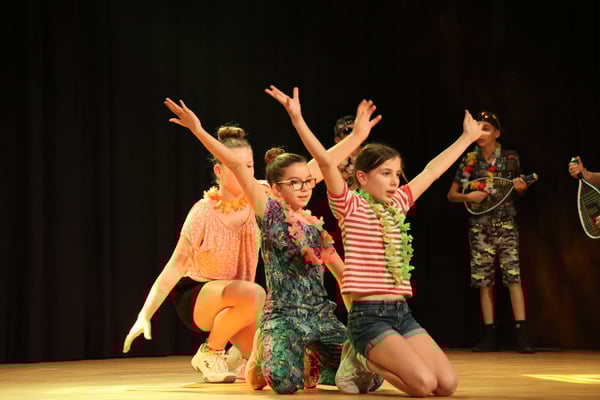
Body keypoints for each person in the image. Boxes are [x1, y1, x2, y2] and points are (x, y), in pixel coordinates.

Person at [272, 85, 483, 397]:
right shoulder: (349, 205)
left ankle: (369, 358)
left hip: (401, 312)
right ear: (362, 177)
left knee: (447, 385)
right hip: (368, 317)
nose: (395, 181)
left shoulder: (399, 202)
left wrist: (466, 138)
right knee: (424, 385)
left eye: (397, 174)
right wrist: (298, 119)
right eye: (386, 173)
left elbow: (433, 170)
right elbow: (325, 163)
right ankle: (364, 358)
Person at [163, 96, 382, 394]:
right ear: (277, 188)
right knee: (284, 382)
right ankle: (260, 358)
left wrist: (356, 137)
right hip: (283, 315)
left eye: (307, 182)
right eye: (295, 183)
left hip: (319, 315)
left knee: (370, 376)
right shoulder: (269, 208)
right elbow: (235, 165)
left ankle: (312, 361)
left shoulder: (314, 227)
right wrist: (198, 130)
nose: (304, 187)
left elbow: (323, 164)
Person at [122, 124, 267, 383]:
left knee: (267, 370)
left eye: (249, 166)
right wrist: (145, 313)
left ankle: (237, 355)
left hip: (241, 300)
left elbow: (307, 176)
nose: (244, 173)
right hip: (198, 295)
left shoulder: (260, 202)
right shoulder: (203, 211)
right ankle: (211, 352)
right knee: (254, 292)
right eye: (235, 167)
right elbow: (176, 265)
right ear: (219, 171)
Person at [447, 110, 536, 354]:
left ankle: (522, 335)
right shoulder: (469, 160)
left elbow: (518, 189)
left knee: (513, 277)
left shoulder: (510, 157)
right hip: (480, 227)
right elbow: (452, 194)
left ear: (497, 133)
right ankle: (489, 335)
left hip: (506, 224)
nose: (481, 133)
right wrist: (469, 196)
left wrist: (521, 187)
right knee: (484, 281)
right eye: (478, 128)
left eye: (486, 128)